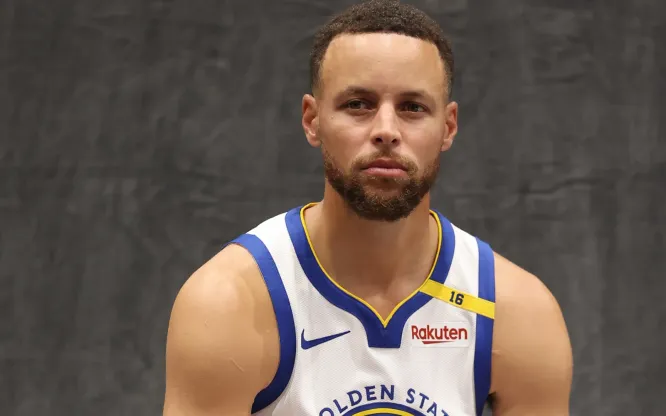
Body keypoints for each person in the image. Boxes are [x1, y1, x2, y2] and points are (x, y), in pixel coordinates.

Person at [163, 0, 573, 415]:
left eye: (413, 107)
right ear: (312, 119)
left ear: (447, 128)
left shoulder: (513, 309)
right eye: (358, 104)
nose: (386, 131)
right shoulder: (230, 303)